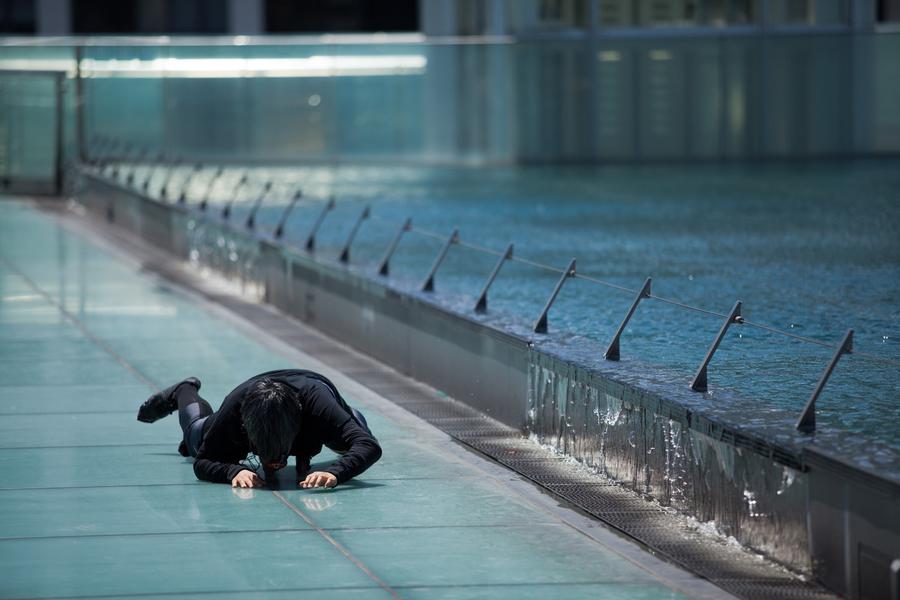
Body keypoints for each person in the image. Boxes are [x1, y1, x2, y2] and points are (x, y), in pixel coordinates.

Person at [137, 369, 381, 489]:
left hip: (313, 399)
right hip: (249, 400)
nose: (272, 462)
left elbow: (368, 446)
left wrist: (337, 472)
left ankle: (349, 418)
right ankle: (184, 389)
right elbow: (203, 462)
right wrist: (232, 471)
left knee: (350, 436)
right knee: (194, 437)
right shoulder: (236, 408)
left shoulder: (315, 404)